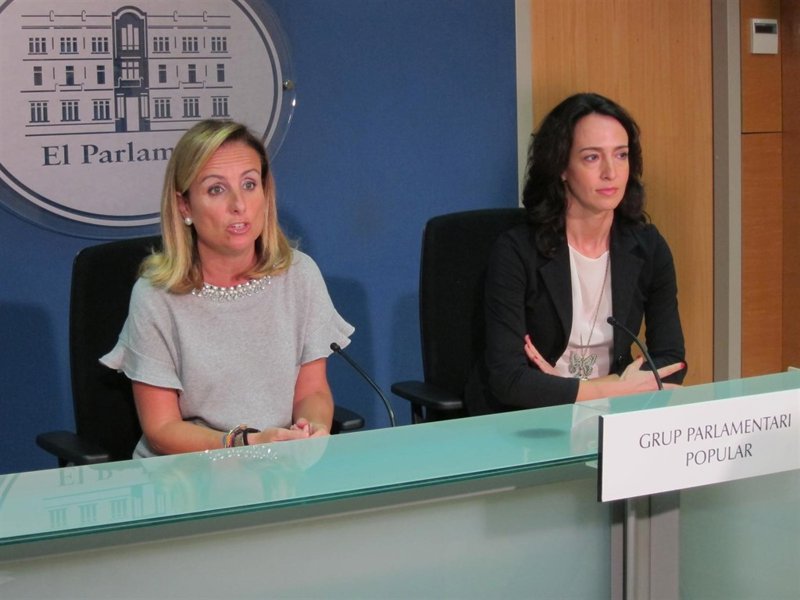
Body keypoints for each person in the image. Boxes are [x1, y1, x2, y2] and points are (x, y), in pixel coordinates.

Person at [101, 119, 354, 458]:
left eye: (249, 184)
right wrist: (247, 445)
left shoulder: (299, 275)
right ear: (185, 206)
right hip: (186, 474)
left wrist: (311, 430)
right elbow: (161, 430)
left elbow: (312, 391)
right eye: (216, 189)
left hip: (280, 468)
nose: (239, 204)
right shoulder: (156, 295)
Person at [471, 92, 686, 413]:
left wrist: (595, 390)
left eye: (621, 155)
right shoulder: (517, 251)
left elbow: (671, 362)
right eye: (592, 157)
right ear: (561, 166)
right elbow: (509, 379)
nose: (611, 172)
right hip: (530, 417)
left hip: (612, 413)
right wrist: (611, 389)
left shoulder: (648, 247)